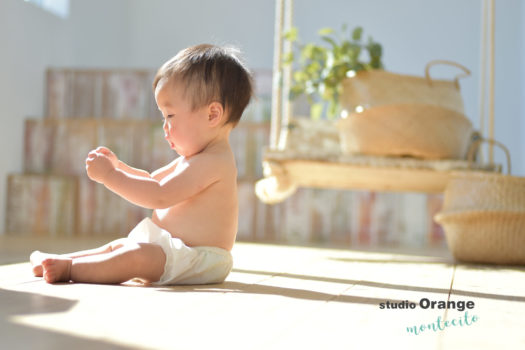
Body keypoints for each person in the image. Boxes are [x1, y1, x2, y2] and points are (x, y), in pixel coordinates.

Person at [30, 44, 254, 285]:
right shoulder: (195, 159)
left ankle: (71, 270)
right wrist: (119, 167)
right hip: (174, 251)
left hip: (201, 258)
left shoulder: (214, 162)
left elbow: (159, 196)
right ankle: (60, 260)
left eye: (170, 116)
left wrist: (110, 177)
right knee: (120, 246)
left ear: (212, 115)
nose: (165, 127)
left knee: (135, 257)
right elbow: (153, 180)